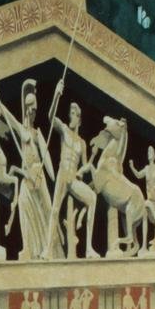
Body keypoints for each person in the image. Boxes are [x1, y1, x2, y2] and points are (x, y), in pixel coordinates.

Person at [0, 78, 61, 260]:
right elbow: (6, 114)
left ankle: (51, 247)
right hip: (27, 175)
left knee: (48, 209)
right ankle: (28, 248)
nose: (32, 112)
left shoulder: (37, 134)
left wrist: (49, 173)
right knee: (23, 204)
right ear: (26, 108)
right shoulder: (21, 130)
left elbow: (46, 156)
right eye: (29, 107)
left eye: (34, 109)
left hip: (38, 174)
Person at [46, 96, 98, 258]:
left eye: (74, 114)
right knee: (55, 210)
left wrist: (86, 165)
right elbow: (50, 117)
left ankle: (89, 248)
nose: (71, 116)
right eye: (70, 113)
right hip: (63, 174)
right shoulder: (64, 130)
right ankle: (47, 249)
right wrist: (56, 95)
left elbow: (84, 165)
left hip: (73, 179)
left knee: (93, 198)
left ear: (79, 119)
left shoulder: (82, 143)